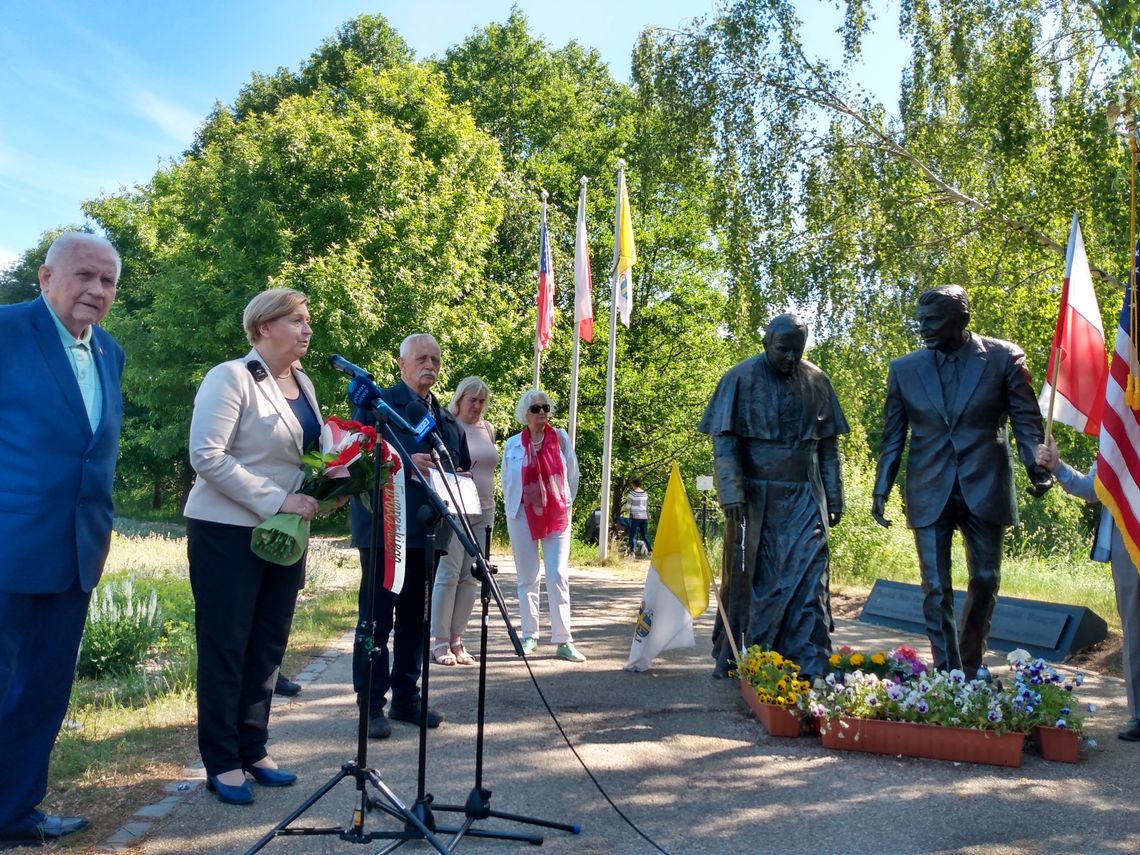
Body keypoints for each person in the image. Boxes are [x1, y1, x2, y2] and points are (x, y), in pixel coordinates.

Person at [0, 233, 124, 847]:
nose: (96, 290)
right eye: (84, 276)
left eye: (107, 282)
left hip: (77, 552)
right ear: (46, 277)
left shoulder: (110, 352)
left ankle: (16, 813)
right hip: (7, 547)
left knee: (43, 692)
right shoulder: (5, 331)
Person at [184, 288, 322, 805]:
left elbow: (303, 455)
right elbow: (206, 455)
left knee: (268, 642)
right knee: (227, 644)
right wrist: (278, 500)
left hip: (283, 533)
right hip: (226, 531)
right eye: (297, 320)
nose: (307, 330)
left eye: (308, 321)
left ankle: (254, 746)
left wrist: (335, 477)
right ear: (264, 327)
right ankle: (222, 759)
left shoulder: (304, 383)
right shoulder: (231, 377)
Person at [872, 285, 1053, 678]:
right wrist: (881, 487)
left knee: (985, 580)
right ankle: (948, 674)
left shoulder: (1004, 357)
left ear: (963, 319)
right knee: (935, 587)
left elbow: (1026, 421)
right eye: (920, 320)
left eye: (933, 320)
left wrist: (1036, 468)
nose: (923, 328)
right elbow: (893, 437)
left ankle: (970, 665)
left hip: (985, 483)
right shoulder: (904, 369)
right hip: (927, 485)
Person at [697, 312, 848, 680]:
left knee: (812, 575)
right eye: (783, 350)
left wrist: (834, 495)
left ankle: (809, 659)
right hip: (756, 497)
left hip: (806, 495)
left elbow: (828, 449)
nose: (790, 358)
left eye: (797, 351)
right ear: (766, 343)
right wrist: (730, 491)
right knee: (755, 579)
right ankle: (748, 657)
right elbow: (726, 443)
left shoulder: (817, 380)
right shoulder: (740, 378)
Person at [349, 333, 470, 739]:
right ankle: (371, 704)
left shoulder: (444, 418)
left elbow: (461, 464)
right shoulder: (376, 404)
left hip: (427, 531)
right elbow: (351, 456)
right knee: (377, 619)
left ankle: (406, 697)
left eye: (435, 359)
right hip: (384, 533)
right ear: (400, 364)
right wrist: (403, 460)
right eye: (421, 358)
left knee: (415, 622)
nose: (430, 365)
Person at [1035, 437, 1140, 741]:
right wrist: (1056, 466)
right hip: (1128, 537)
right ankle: (1139, 714)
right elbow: (1093, 488)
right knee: (1134, 626)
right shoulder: (1120, 430)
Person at [501, 389, 584, 662]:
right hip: (521, 513)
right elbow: (506, 481)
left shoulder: (560, 439)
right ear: (524, 414)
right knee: (527, 576)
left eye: (545, 407)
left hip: (557, 513)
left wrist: (561, 501)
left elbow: (572, 474)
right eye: (535, 408)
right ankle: (529, 634)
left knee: (558, 574)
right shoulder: (513, 444)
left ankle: (563, 639)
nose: (542, 413)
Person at [430, 377, 498, 667]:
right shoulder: (448, 427)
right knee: (449, 574)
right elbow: (438, 465)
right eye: (472, 400)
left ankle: (458, 638)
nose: (477, 406)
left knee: (472, 576)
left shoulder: (488, 429)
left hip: (485, 508)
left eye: (482, 401)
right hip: (456, 507)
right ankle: (440, 641)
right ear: (459, 400)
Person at [626, 478, 652, 556]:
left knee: (633, 535)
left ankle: (632, 552)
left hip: (635, 516)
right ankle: (651, 551)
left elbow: (628, 506)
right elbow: (646, 506)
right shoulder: (645, 493)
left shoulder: (632, 494)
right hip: (644, 517)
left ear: (634, 484)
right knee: (645, 534)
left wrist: (624, 508)